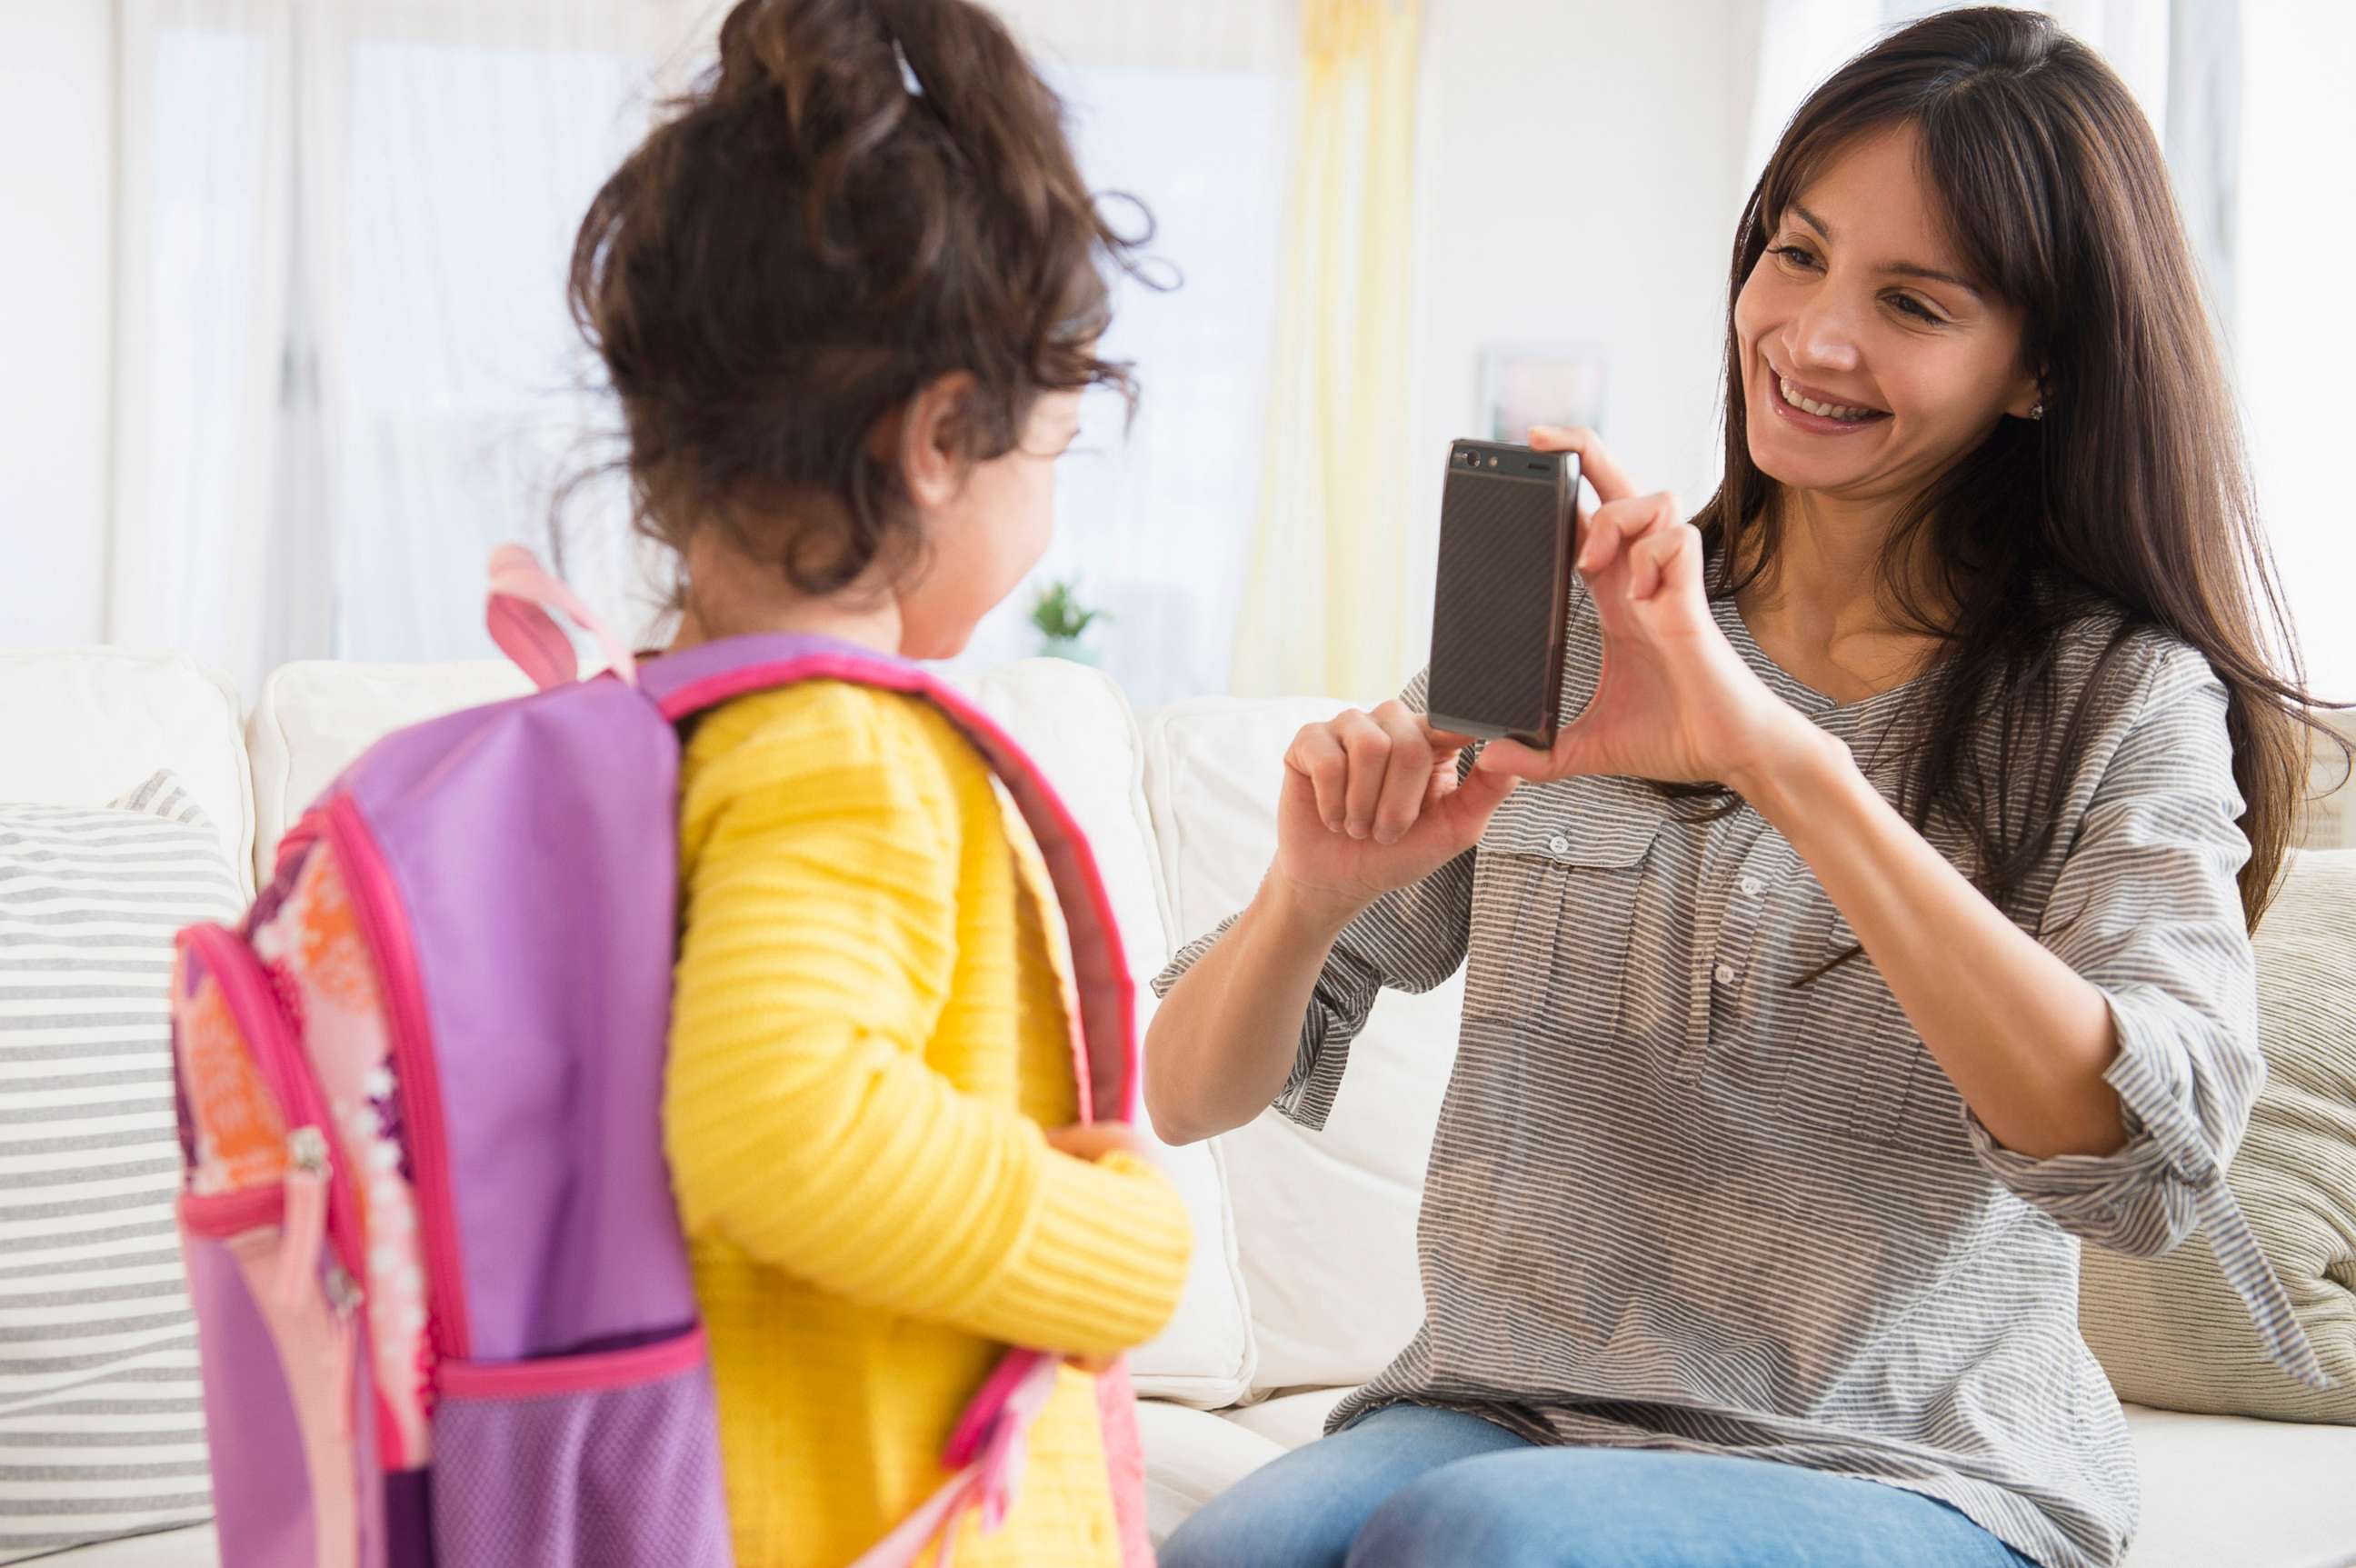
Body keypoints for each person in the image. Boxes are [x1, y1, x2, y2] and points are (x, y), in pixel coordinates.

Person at [1145, 9, 2339, 1568]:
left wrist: (1778, 759)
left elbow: (2139, 1152)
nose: (1813, 336)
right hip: (1501, 1404)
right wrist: (1308, 897)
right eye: (1795, 253)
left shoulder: (2114, 697)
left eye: (1911, 300)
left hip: (1904, 1462)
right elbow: (1185, 1090)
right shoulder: (1583, 629)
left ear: (2039, 368)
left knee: (1483, 1544)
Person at [564, 2, 1192, 1563]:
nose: (1046, 505)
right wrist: (1121, 1250)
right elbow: (779, 1121)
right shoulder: (838, 747)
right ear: (938, 442)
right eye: (1045, 454)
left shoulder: (662, 730)